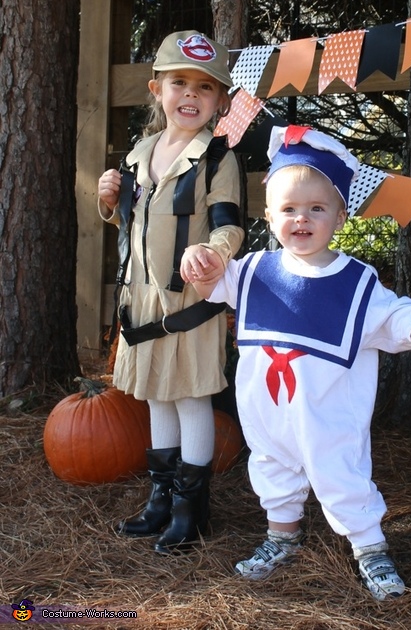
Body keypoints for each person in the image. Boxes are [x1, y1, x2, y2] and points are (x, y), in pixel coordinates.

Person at [180, 125, 411, 600]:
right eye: (288, 210)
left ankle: (370, 547)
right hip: (267, 412)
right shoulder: (254, 271)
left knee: (341, 474)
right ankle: (282, 536)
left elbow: (390, 313)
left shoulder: (354, 281)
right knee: (271, 467)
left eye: (316, 209)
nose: (300, 219)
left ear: (341, 216)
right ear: (269, 215)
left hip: (328, 416)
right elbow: (214, 287)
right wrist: (202, 265)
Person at [97, 30, 244, 554]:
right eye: (179, 82)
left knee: (189, 398)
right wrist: (109, 202)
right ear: (155, 88)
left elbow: (229, 224)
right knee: (157, 394)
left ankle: (191, 508)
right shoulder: (138, 156)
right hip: (143, 300)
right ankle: (160, 499)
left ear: (221, 101)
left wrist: (215, 253)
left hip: (188, 304)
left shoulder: (217, 158)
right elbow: (133, 229)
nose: (191, 95)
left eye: (205, 88)